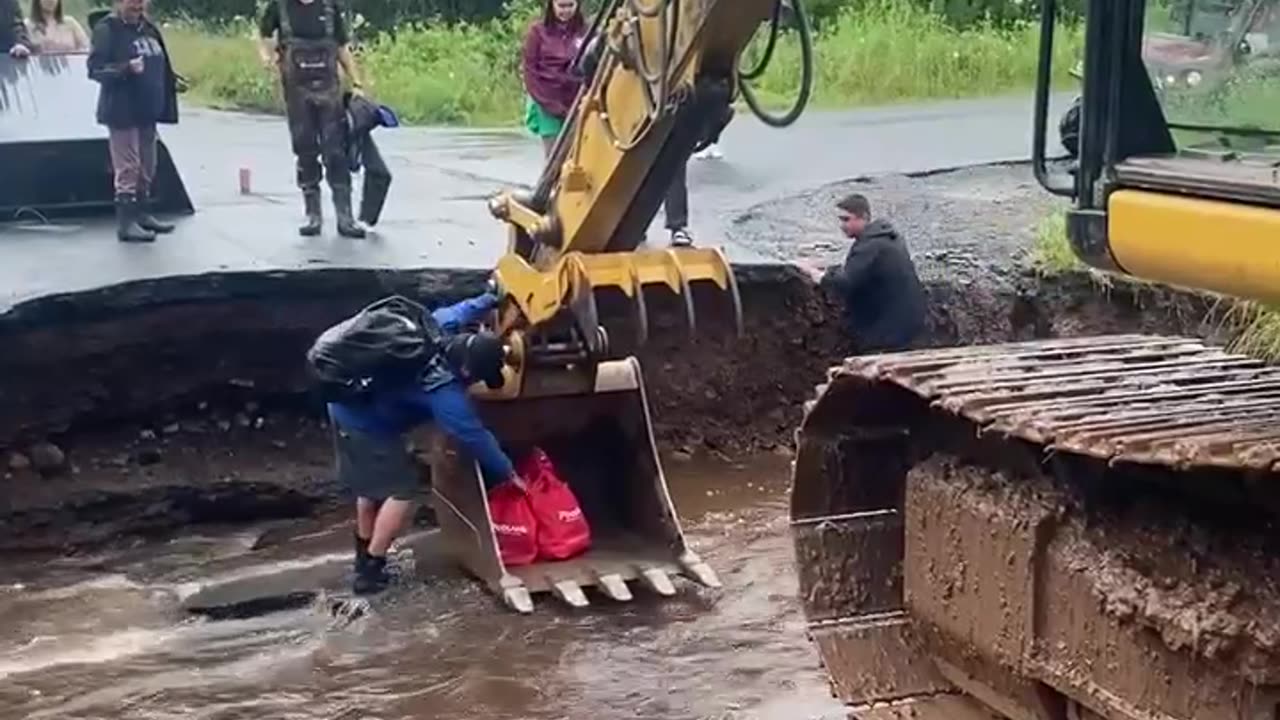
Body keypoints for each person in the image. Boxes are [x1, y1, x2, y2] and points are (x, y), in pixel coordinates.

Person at [323, 291, 527, 596]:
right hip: (366, 425)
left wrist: (490, 297)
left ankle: (363, 557)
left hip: (342, 404)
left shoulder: (435, 328)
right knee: (403, 491)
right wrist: (509, 473)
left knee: (369, 488)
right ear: (469, 370)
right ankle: (372, 570)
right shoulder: (442, 390)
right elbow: (473, 435)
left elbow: (460, 309)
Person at [258, 0, 368, 239]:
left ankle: (345, 218)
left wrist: (357, 83)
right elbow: (265, 36)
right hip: (297, 93)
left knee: (335, 151)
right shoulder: (280, 6)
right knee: (305, 149)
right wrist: (267, 56)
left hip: (329, 91)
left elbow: (341, 48)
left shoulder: (330, 7)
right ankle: (313, 216)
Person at [87, 0, 180, 243]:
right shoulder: (107, 29)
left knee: (147, 166)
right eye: (132, 1)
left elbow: (163, 62)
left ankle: (143, 214)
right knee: (128, 167)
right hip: (121, 110)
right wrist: (126, 68)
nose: (138, 5)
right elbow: (95, 69)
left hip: (148, 110)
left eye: (141, 1)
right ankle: (126, 224)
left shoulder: (148, 28)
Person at [802, 193, 926, 353]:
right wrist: (827, 267)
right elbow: (860, 269)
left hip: (888, 330)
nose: (842, 225)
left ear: (864, 217)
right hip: (909, 321)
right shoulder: (887, 237)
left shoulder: (869, 245)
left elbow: (845, 283)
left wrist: (814, 274)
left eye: (846, 219)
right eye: (840, 220)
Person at [521, 0, 586, 157]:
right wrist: (547, 103)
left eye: (570, 5)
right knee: (554, 156)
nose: (566, 11)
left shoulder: (586, 31)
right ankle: (550, 181)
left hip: (577, 102)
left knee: (578, 154)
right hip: (546, 102)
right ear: (552, 5)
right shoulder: (537, 32)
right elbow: (529, 70)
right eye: (561, 6)